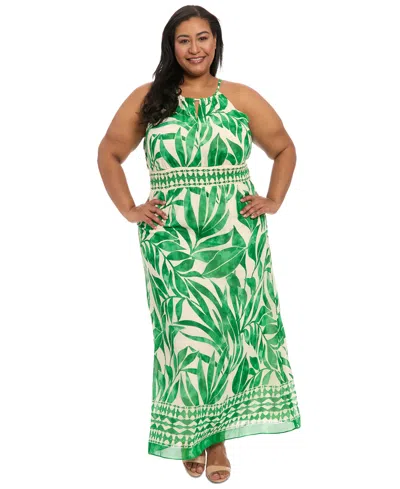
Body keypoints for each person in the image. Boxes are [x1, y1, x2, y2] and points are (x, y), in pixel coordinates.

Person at [97, 5, 301, 484]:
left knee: (229, 336)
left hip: (236, 240)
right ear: (171, 47)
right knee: (186, 338)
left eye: (203, 38)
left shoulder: (240, 97)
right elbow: (109, 152)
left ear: (216, 42)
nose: (195, 48)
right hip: (172, 243)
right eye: (184, 40)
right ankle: (198, 433)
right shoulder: (149, 98)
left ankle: (214, 438)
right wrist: (129, 208)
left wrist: (273, 200)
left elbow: (284, 148)